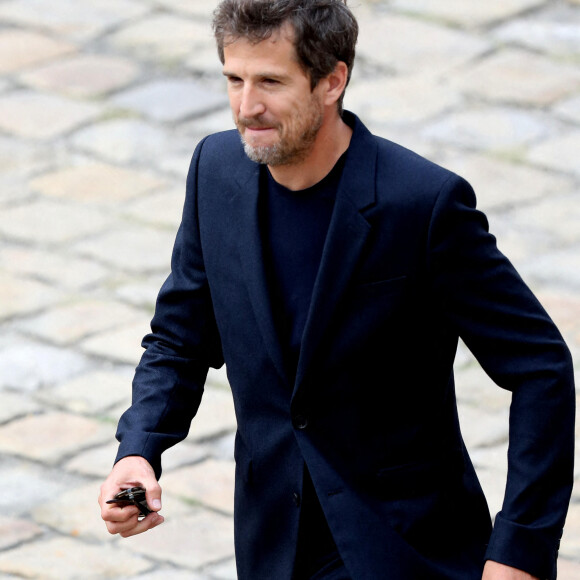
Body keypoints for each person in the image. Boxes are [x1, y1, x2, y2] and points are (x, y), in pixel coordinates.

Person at [98, 1, 575, 579]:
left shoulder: (423, 205)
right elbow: (179, 338)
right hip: (274, 547)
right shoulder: (214, 172)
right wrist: (139, 448)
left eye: (270, 82)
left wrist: (519, 551)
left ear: (332, 81)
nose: (247, 107)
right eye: (234, 79)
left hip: (406, 549)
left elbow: (541, 368)